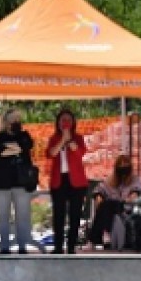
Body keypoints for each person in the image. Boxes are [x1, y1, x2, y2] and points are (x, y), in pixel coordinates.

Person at [0, 108, 36, 254]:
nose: (16, 122)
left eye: (18, 119)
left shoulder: (25, 135)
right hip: (1, 183)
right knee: (3, 216)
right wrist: (16, 149)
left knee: (22, 215)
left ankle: (22, 246)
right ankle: (4, 246)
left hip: (22, 182)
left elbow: (26, 147)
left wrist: (11, 149)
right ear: (6, 122)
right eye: (13, 119)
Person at [46, 107, 89, 254]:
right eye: (62, 120)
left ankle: (71, 246)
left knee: (75, 215)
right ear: (58, 122)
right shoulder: (53, 138)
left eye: (68, 120)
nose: (65, 122)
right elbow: (51, 153)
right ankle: (58, 246)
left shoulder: (78, 138)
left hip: (76, 182)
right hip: (59, 180)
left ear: (73, 123)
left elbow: (79, 152)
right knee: (58, 214)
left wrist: (69, 139)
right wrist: (62, 140)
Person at [88, 155, 141, 250]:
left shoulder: (134, 180)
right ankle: (106, 234)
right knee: (106, 205)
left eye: (125, 164)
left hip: (126, 207)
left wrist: (132, 196)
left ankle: (98, 238)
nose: (123, 167)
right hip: (110, 208)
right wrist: (98, 196)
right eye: (121, 165)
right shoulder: (111, 180)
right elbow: (99, 189)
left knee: (107, 206)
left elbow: (137, 191)